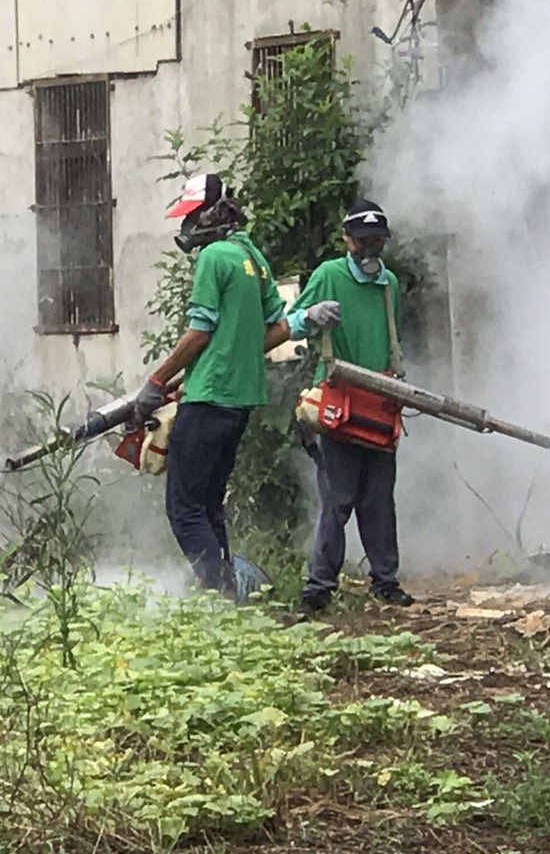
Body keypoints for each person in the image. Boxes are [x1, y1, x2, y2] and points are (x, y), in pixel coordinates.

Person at [130, 173, 288, 593]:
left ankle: (219, 592)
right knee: (208, 504)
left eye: (191, 217)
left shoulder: (213, 257)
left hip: (209, 398)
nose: (186, 229)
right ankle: (225, 587)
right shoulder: (251, 255)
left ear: (209, 215)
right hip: (239, 399)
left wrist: (156, 380)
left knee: (184, 510)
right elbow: (279, 328)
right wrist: (230, 356)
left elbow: (199, 332)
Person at [286, 198, 414, 610]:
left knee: (379, 499)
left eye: (378, 241)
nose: (371, 250)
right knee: (337, 499)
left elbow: (390, 336)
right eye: (364, 241)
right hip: (337, 403)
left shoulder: (388, 284)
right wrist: (310, 316)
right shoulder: (329, 275)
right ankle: (319, 587)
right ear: (347, 239)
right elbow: (286, 324)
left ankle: (386, 581)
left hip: (378, 403)